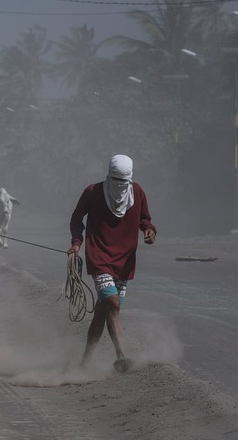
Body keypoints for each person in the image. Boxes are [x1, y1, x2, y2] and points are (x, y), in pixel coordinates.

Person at [69, 154, 156, 373]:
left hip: (124, 261)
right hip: (99, 255)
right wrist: (77, 243)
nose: (120, 186)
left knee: (105, 309)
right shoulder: (93, 192)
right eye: (116, 181)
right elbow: (76, 218)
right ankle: (122, 357)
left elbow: (146, 220)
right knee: (114, 304)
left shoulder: (138, 193)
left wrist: (149, 231)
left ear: (130, 180)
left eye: (124, 182)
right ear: (108, 176)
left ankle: (85, 363)